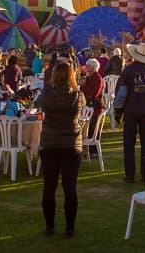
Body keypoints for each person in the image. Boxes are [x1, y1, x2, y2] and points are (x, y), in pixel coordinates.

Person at [38, 62, 85, 237]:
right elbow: (81, 108)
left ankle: (50, 226)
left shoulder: (46, 94)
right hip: (71, 144)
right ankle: (69, 228)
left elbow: (40, 104)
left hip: (50, 143)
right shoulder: (77, 96)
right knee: (69, 186)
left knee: (49, 186)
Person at [113, 43, 145, 183]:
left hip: (130, 112)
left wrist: (118, 111)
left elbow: (122, 94)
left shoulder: (128, 71)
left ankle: (129, 175)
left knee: (129, 145)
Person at [82, 59, 105, 153]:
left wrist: (83, 86)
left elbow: (93, 94)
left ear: (93, 67)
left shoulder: (98, 78)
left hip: (95, 108)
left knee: (93, 128)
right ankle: (85, 149)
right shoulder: (89, 77)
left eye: (88, 65)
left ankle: (93, 151)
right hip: (88, 106)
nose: (86, 67)